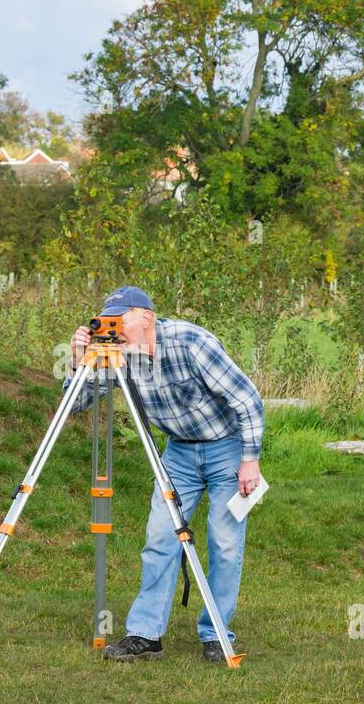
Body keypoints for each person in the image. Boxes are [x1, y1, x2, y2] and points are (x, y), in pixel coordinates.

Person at [63, 285, 264, 664]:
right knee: (159, 539)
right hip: (177, 455)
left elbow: (247, 398)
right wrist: (78, 361)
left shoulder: (191, 342)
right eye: (107, 321)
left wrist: (249, 460)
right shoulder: (120, 353)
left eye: (119, 320)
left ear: (146, 318)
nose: (112, 329)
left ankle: (216, 634)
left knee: (224, 543)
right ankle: (145, 634)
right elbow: (76, 404)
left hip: (227, 449)